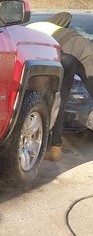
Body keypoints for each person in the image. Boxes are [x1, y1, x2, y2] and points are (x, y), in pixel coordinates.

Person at [26, 12, 93, 162]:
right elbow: (67, 15)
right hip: (83, 46)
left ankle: (54, 148)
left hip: (64, 52)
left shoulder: (24, 33)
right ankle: (54, 149)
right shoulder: (44, 24)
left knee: (58, 101)